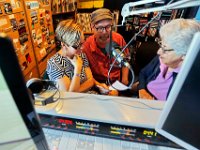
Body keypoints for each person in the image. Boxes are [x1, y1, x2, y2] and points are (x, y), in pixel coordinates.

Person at [138, 18, 200, 100]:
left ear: (185, 54)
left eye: (165, 49)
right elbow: (143, 73)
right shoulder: (161, 59)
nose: (158, 52)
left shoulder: (189, 82)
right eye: (161, 45)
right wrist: (141, 89)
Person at [82, 8, 130, 95]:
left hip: (117, 83)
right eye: (100, 28)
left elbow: (125, 60)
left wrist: (124, 80)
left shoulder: (118, 39)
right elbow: (86, 73)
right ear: (92, 27)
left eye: (108, 27)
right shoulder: (86, 47)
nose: (105, 32)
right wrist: (98, 85)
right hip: (97, 85)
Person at [46, 20, 94, 92]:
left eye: (82, 43)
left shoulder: (80, 54)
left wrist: (76, 89)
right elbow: (69, 95)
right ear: (64, 44)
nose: (82, 48)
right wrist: (77, 69)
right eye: (77, 46)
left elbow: (91, 81)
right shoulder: (54, 63)